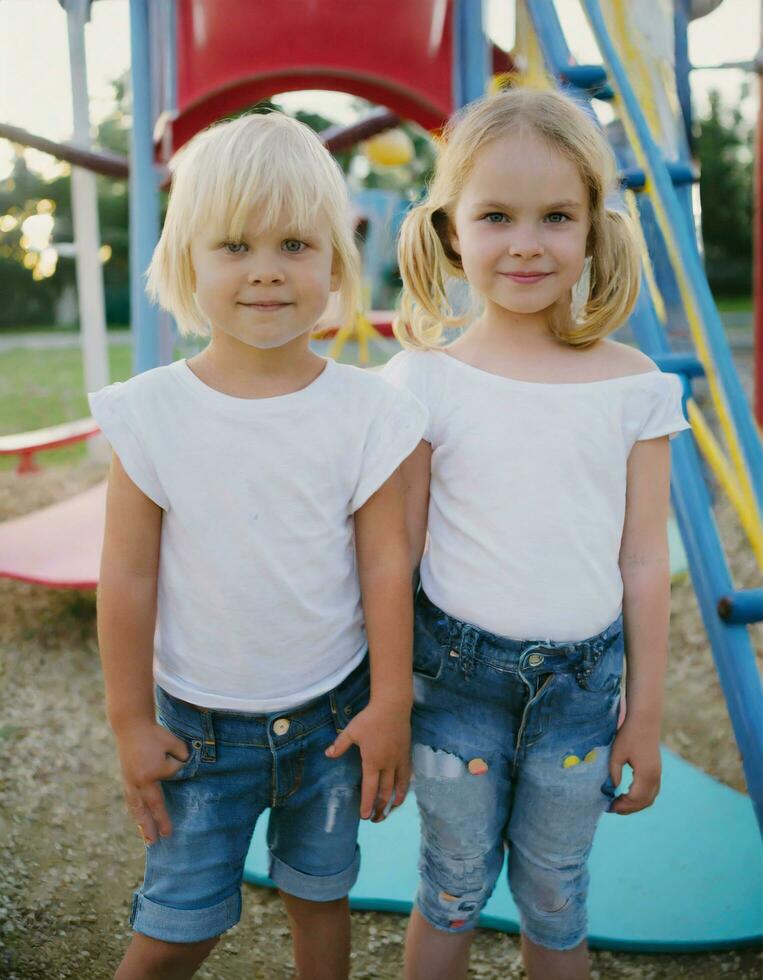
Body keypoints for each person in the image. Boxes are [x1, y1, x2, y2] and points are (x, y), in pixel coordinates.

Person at [89, 111, 427, 980]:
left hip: (331, 717)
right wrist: (128, 719)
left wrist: (390, 700)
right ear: (184, 262)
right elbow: (127, 578)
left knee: (321, 897)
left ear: (335, 264)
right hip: (200, 728)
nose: (267, 270)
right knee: (176, 924)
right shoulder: (153, 413)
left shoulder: (366, 410)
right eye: (234, 245)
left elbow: (386, 562)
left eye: (293, 244)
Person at [383, 88, 690, 980]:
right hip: (453, 687)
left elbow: (641, 560)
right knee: (450, 885)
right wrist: (389, 700)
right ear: (450, 231)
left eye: (555, 216)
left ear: (594, 229)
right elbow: (394, 557)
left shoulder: (636, 387)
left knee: (555, 894)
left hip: (580, 694)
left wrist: (646, 717)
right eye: (496, 216)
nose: (526, 242)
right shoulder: (422, 382)